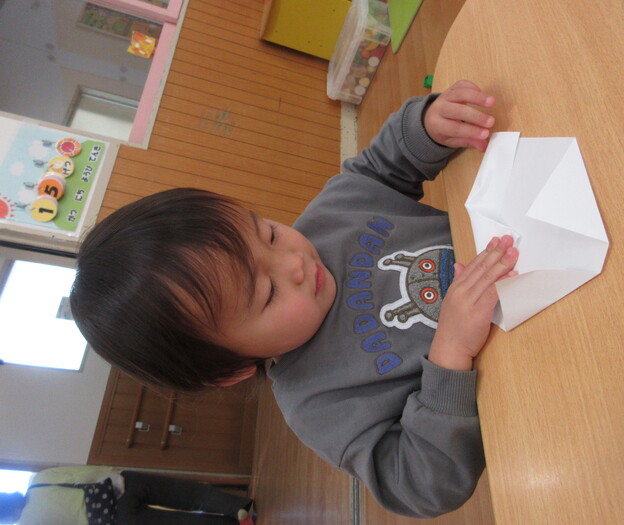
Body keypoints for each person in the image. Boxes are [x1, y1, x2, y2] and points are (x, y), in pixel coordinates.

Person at [69, 80, 519, 518]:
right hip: (526, 376)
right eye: (267, 293)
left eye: (267, 232)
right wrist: (450, 352)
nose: (294, 262)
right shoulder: (318, 404)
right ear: (233, 369)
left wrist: (427, 127)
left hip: (525, 253)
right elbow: (420, 485)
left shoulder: (331, 216)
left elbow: (381, 167)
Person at [4, 466, 253, 525]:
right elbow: (86, 472)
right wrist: (116, 475)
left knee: (179, 522)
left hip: (118, 519)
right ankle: (238, 507)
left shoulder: (29, 523)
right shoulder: (40, 479)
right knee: (188, 494)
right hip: (123, 484)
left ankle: (236, 524)